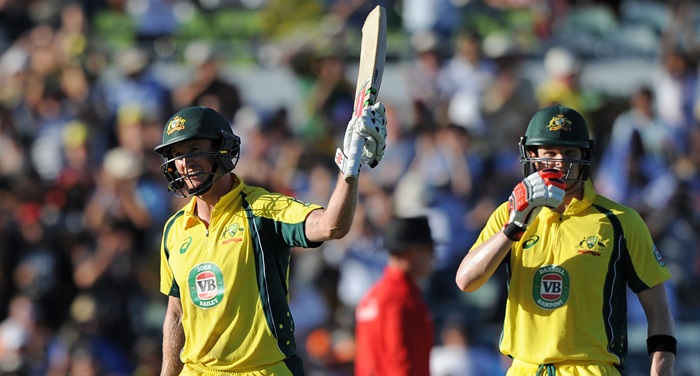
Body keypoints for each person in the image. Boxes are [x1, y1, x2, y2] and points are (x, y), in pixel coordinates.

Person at [153, 104, 387, 375]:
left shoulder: (263, 210)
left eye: (194, 151)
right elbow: (176, 313)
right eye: (178, 155)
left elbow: (331, 226)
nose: (184, 163)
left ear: (222, 150)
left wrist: (350, 168)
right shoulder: (174, 229)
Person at [455, 105, 676, 375]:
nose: (560, 163)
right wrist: (515, 226)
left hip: (591, 369)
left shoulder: (621, 220)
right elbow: (466, 280)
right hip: (525, 368)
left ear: (585, 155)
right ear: (533, 156)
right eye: (550, 153)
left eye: (570, 153)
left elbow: (659, 310)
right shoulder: (508, 213)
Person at [354, 215, 435, 376]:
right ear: (413, 252)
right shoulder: (401, 298)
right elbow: (401, 362)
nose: (433, 257)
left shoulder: (375, 294)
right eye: (430, 249)